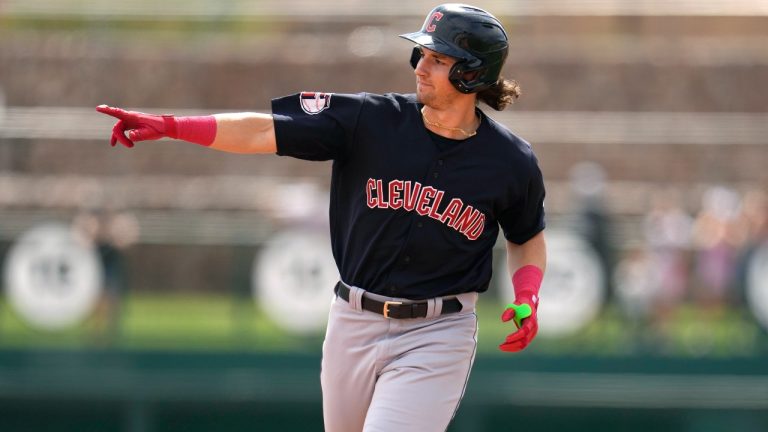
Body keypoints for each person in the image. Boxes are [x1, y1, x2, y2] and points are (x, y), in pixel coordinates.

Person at [97, 4, 547, 431]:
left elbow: (526, 236)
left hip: (438, 332)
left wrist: (528, 294)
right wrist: (171, 126)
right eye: (422, 54)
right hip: (354, 320)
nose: (420, 67)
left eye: (438, 59)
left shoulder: (510, 161)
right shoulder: (370, 120)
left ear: (472, 73)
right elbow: (262, 130)